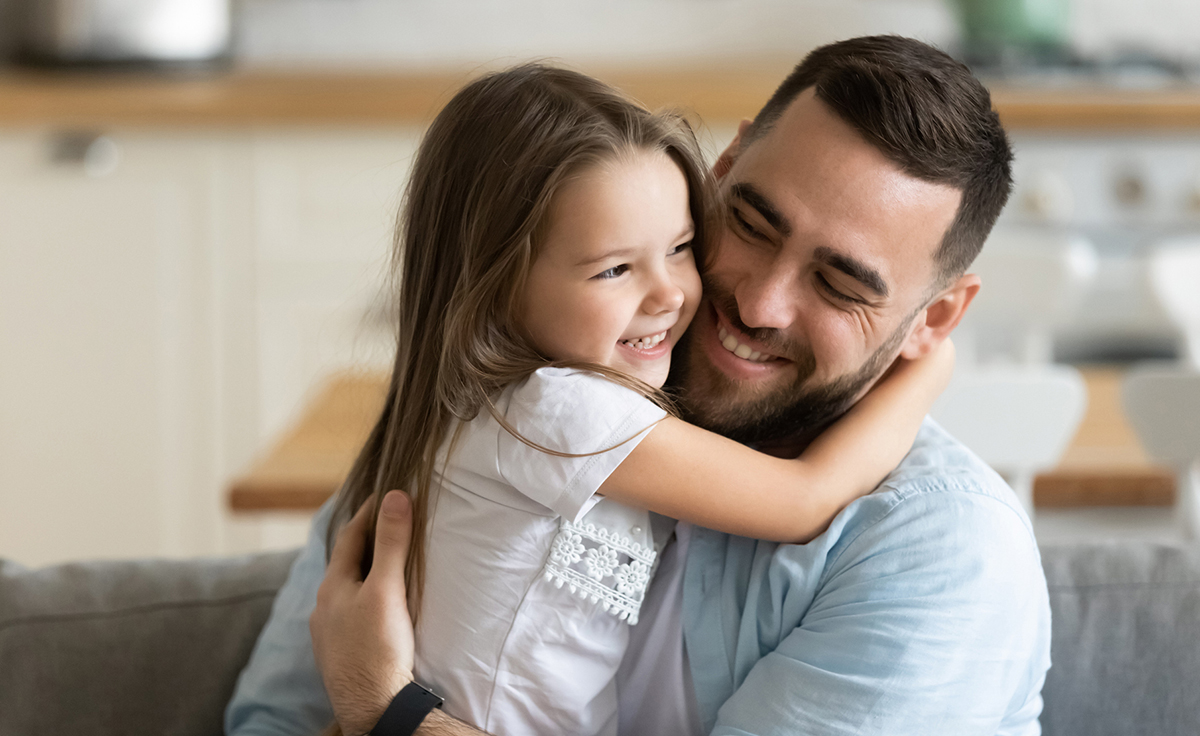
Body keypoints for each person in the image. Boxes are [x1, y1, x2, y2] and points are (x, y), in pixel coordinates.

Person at [229, 35, 1052, 736]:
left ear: (935, 320)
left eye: (840, 286)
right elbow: (274, 723)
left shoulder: (939, 553)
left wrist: (388, 710)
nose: (759, 303)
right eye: (752, 223)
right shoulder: (487, 415)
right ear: (719, 171)